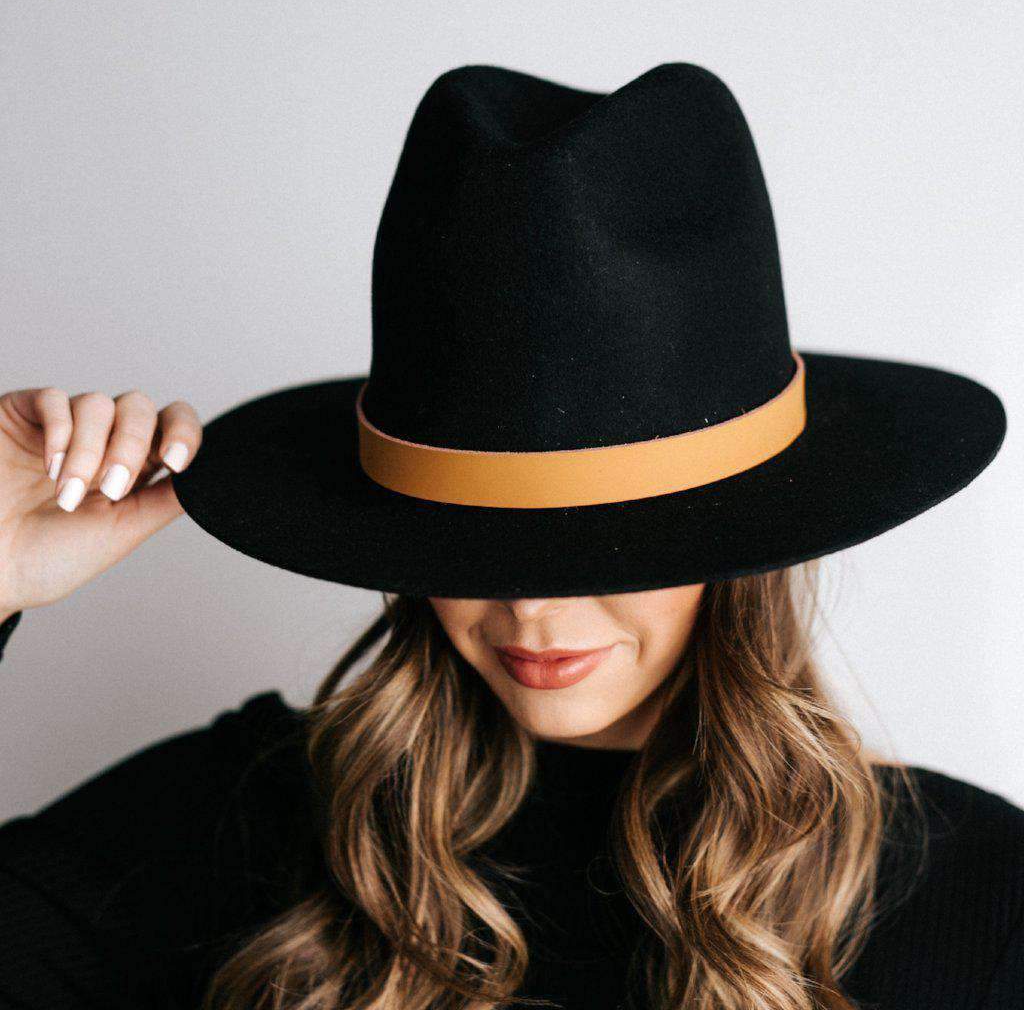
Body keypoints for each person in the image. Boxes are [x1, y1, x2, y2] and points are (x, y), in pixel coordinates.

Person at [1, 62, 1020, 1010]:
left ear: (740, 550)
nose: (530, 607)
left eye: (614, 550)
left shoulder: (976, 894)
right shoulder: (241, 816)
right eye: (473, 548)